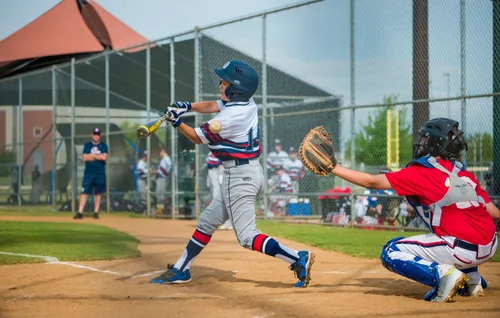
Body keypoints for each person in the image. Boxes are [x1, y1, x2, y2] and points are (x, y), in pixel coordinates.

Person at [149, 60, 314, 287]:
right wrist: (187, 106)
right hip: (243, 172)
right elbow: (214, 104)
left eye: (225, 82)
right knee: (207, 222)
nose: (220, 84)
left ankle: (297, 258)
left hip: (239, 176)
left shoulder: (230, 117)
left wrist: (177, 122)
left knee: (247, 236)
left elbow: (197, 137)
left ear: (236, 89)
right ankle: (181, 269)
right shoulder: (245, 102)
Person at [323, 118, 499, 302]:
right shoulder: (464, 174)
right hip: (490, 245)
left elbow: (372, 182)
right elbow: (494, 214)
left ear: (435, 144)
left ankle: (444, 275)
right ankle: (472, 280)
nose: (421, 143)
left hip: (460, 248)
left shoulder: (422, 171)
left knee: (391, 250)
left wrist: (333, 167)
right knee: (460, 232)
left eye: (425, 139)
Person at [74, 127, 108, 219]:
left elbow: (104, 157)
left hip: (100, 174)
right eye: (94, 134)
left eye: (98, 134)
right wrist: (98, 156)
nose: (96, 136)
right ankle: (80, 212)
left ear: (100, 136)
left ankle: (96, 213)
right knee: (84, 192)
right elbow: (85, 158)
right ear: (92, 135)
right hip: (89, 173)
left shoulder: (104, 146)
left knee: (98, 193)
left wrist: (91, 155)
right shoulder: (88, 145)